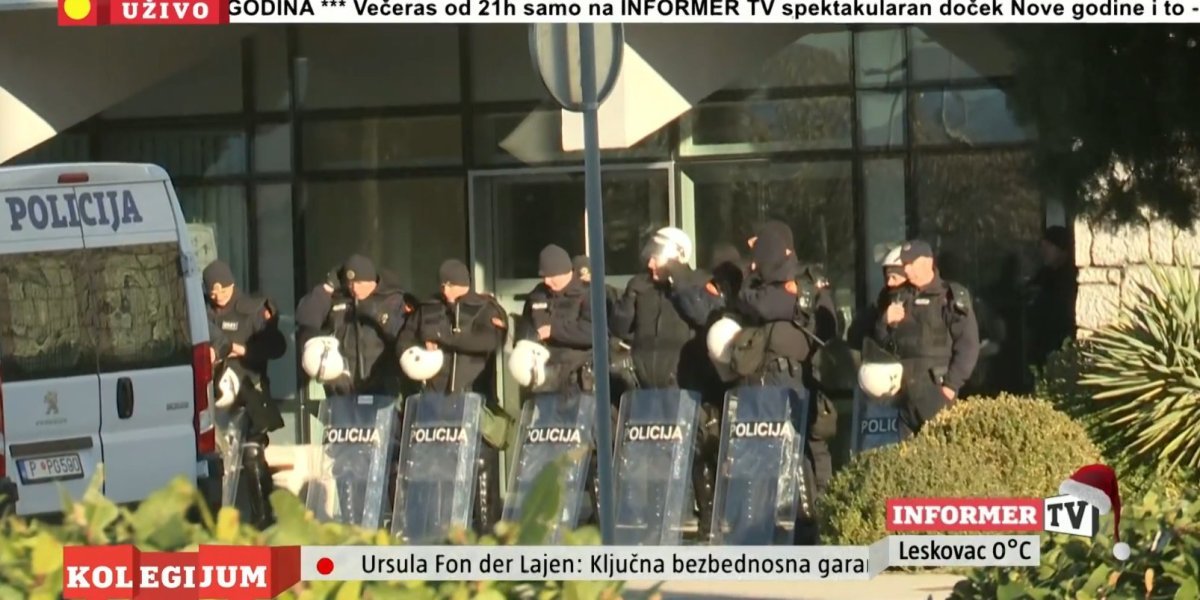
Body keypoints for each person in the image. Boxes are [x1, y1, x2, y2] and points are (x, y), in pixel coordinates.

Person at [609, 227, 725, 540]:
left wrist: (679, 282)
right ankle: (657, 521)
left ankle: (709, 520)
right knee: (655, 453)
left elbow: (705, 316)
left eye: (656, 257)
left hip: (686, 381)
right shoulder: (643, 286)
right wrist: (629, 297)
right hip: (648, 383)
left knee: (697, 451)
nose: (650, 264)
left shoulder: (699, 281)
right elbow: (619, 327)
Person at [727, 227, 831, 545]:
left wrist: (751, 283)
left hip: (791, 378)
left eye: (759, 255)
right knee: (760, 452)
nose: (754, 263)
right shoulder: (765, 285)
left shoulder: (803, 281)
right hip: (760, 379)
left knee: (796, 452)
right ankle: (761, 524)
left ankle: (807, 525)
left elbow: (765, 306)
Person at [295, 254, 414, 521]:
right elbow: (306, 318)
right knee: (347, 460)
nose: (354, 289)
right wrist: (326, 287)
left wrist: (374, 313)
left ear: (373, 281)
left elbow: (403, 336)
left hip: (381, 392)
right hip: (344, 393)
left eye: (359, 283)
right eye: (349, 283)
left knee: (387, 456)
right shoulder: (338, 301)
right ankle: (355, 522)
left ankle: (395, 520)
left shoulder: (392, 299)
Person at [400, 259, 509, 534]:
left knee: (480, 465)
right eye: (442, 285)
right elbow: (405, 339)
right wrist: (414, 357)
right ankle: (441, 531)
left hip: (473, 398)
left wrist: (444, 338)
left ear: (463, 284)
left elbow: (488, 342)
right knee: (438, 468)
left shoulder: (484, 307)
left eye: (450, 285)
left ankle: (485, 534)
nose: (445, 290)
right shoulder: (428, 308)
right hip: (435, 401)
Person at [202, 259, 287, 527]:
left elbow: (277, 346)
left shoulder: (252, 310)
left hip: (250, 391)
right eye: (212, 291)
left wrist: (241, 350)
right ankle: (214, 519)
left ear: (232, 285)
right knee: (212, 458)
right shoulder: (202, 312)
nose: (218, 295)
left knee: (252, 454)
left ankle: (264, 518)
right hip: (214, 395)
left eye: (222, 289)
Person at [876, 240, 981, 437]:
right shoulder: (899, 297)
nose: (906, 269)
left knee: (937, 450)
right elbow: (883, 345)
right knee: (905, 453)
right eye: (904, 264)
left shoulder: (948, 298)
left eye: (911, 263)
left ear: (927, 262)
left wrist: (950, 387)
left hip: (936, 392)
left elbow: (968, 346)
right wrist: (884, 323)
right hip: (904, 397)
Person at [1025, 226, 1078, 372]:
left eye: (1048, 247)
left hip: (1063, 337)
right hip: (1042, 340)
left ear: (1062, 250)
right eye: (1042, 248)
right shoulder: (1044, 274)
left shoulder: (1071, 275)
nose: (1044, 252)